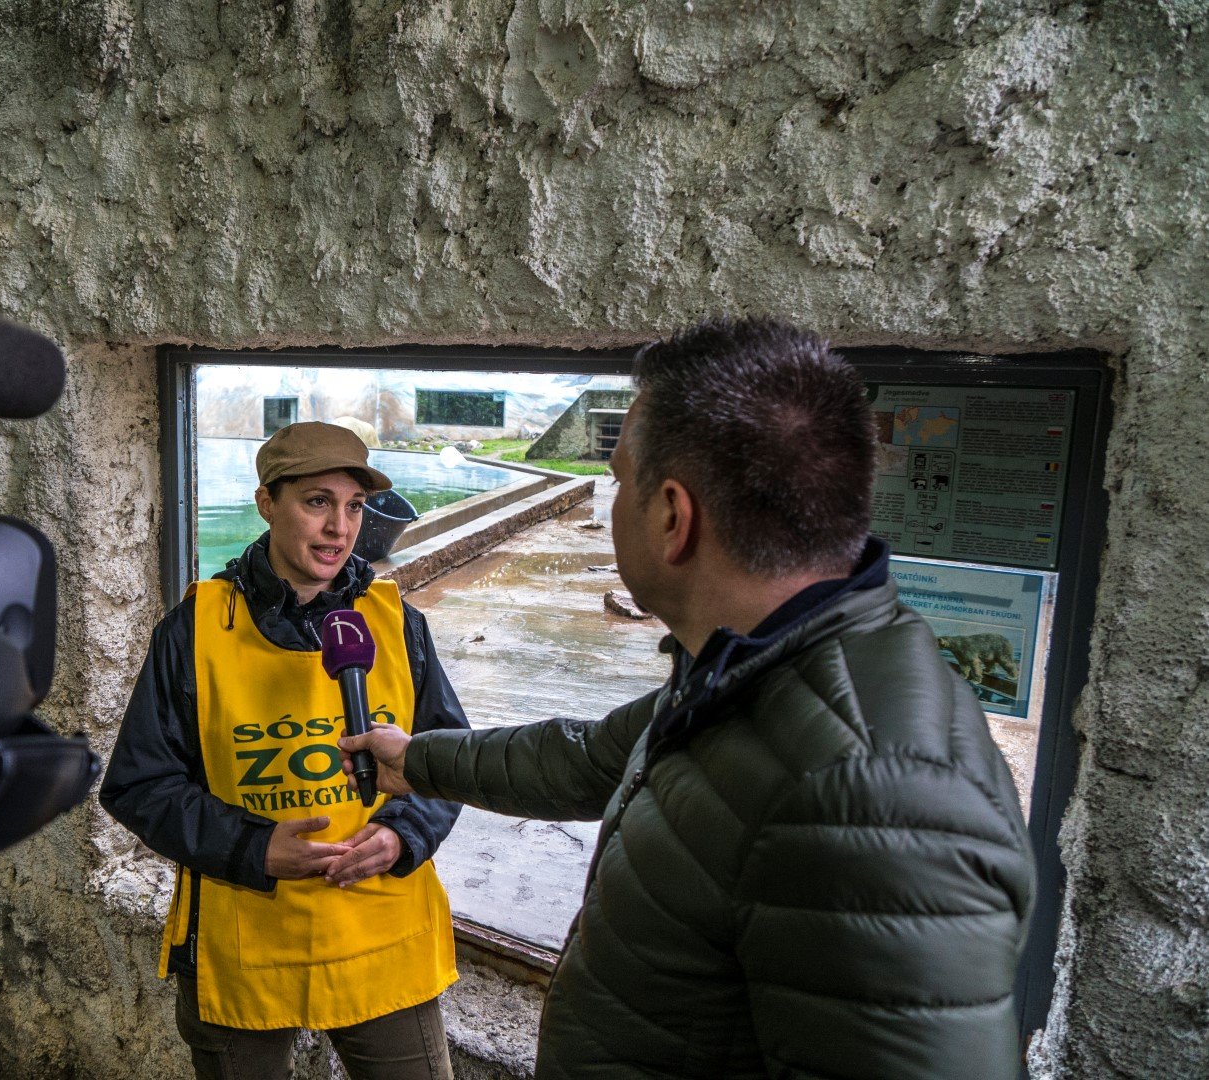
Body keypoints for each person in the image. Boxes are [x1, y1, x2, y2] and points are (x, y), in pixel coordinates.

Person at [341, 319, 1037, 1080]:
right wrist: (416, 762)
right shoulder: (751, 669)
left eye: (614, 480)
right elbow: (587, 759)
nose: (609, 506)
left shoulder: (879, 796)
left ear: (672, 516)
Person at [100, 421, 466, 1080]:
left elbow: (446, 760)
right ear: (267, 502)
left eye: (353, 506)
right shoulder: (195, 629)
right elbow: (138, 785)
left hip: (380, 933)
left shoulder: (398, 624)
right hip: (246, 943)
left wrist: (401, 833)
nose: (339, 527)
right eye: (317, 502)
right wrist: (253, 846)